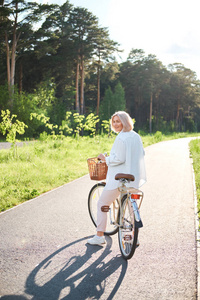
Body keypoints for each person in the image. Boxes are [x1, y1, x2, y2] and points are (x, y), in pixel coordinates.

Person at [87, 111, 146, 245]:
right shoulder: (136, 136)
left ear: (125, 122)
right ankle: (133, 238)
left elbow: (118, 158)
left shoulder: (121, 137)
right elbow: (142, 153)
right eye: (113, 121)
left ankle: (99, 236)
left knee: (102, 204)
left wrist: (104, 158)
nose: (115, 124)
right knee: (132, 207)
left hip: (119, 179)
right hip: (134, 177)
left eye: (118, 121)